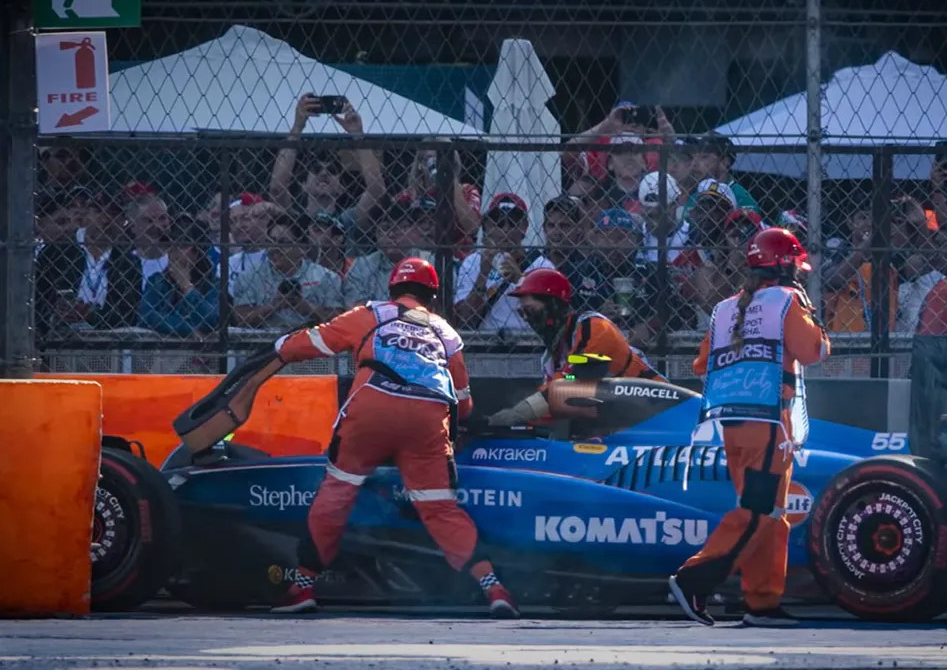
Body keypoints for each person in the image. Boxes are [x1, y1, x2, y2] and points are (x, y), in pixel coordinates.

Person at [269, 257, 520, 619]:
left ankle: (302, 586)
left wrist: (277, 349)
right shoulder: (445, 331)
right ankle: (493, 586)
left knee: (338, 491)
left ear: (392, 290)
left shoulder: (370, 314)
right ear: (432, 295)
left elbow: (315, 341)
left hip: (370, 413)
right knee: (440, 509)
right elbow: (464, 402)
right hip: (428, 423)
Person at [668, 228, 830, 628]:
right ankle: (694, 578)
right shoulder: (788, 301)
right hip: (770, 424)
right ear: (786, 265)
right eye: (796, 265)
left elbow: (701, 365)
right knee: (760, 510)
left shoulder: (724, 309)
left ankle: (761, 602)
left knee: (773, 513)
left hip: (734, 423)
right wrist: (811, 318)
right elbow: (815, 351)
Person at [484, 267, 664, 427]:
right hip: (616, 420)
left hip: (658, 412)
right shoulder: (551, 356)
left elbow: (571, 380)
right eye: (522, 312)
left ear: (552, 304)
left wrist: (518, 414)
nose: (526, 317)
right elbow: (556, 400)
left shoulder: (593, 327)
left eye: (530, 309)